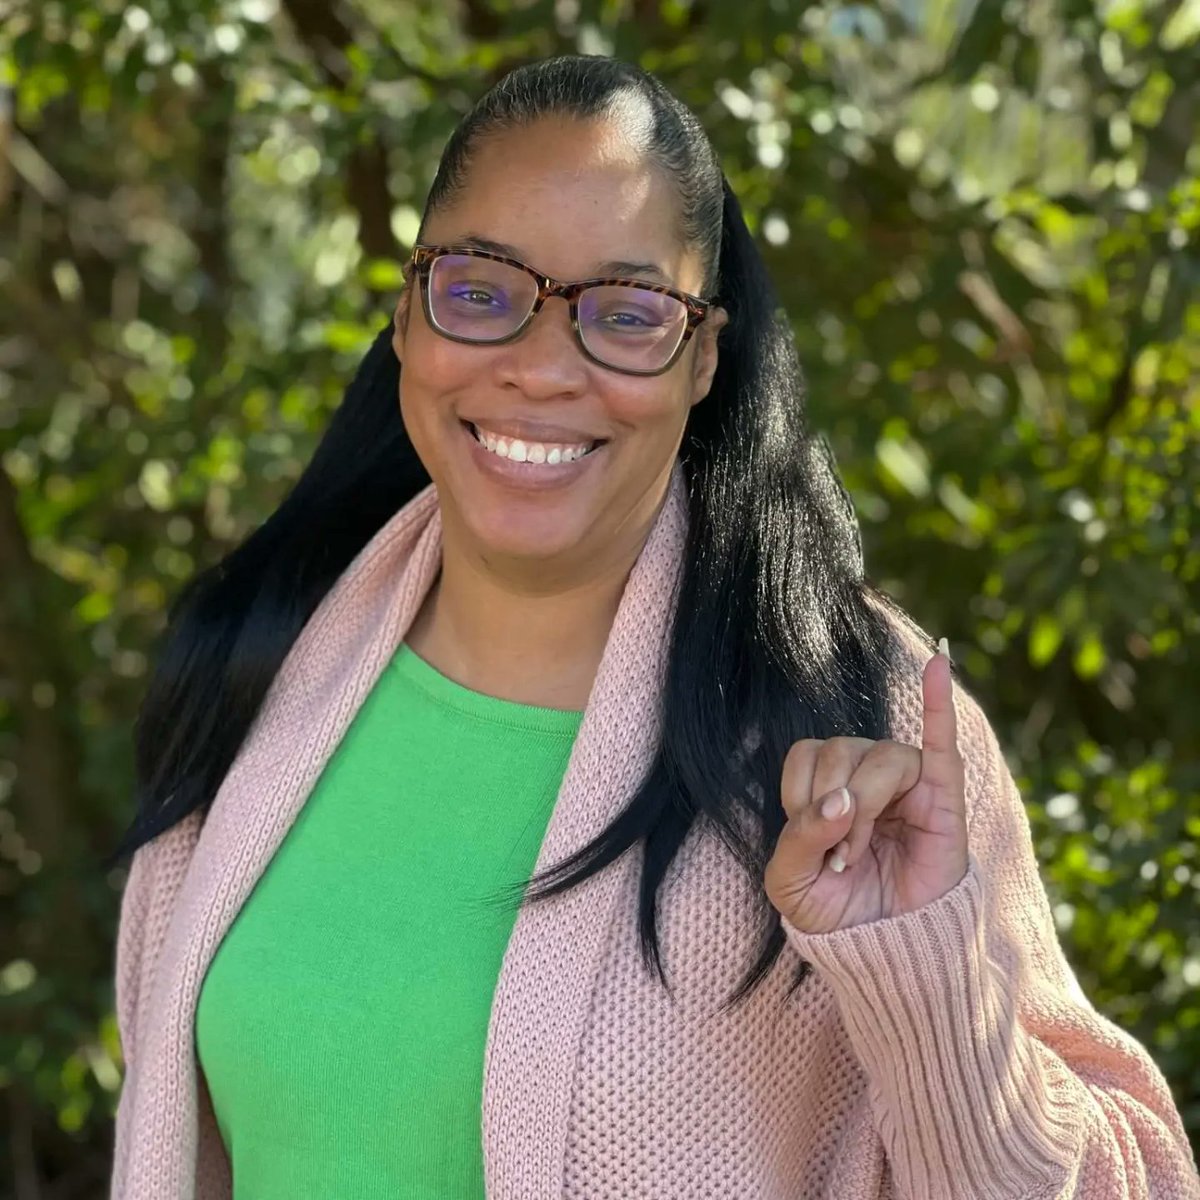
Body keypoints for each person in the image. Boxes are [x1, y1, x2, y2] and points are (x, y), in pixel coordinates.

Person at [106, 54, 1200, 1200]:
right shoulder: (257, 663)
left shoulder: (858, 721)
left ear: (704, 357)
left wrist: (925, 978)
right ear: (407, 312)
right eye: (481, 291)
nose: (539, 368)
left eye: (626, 315)